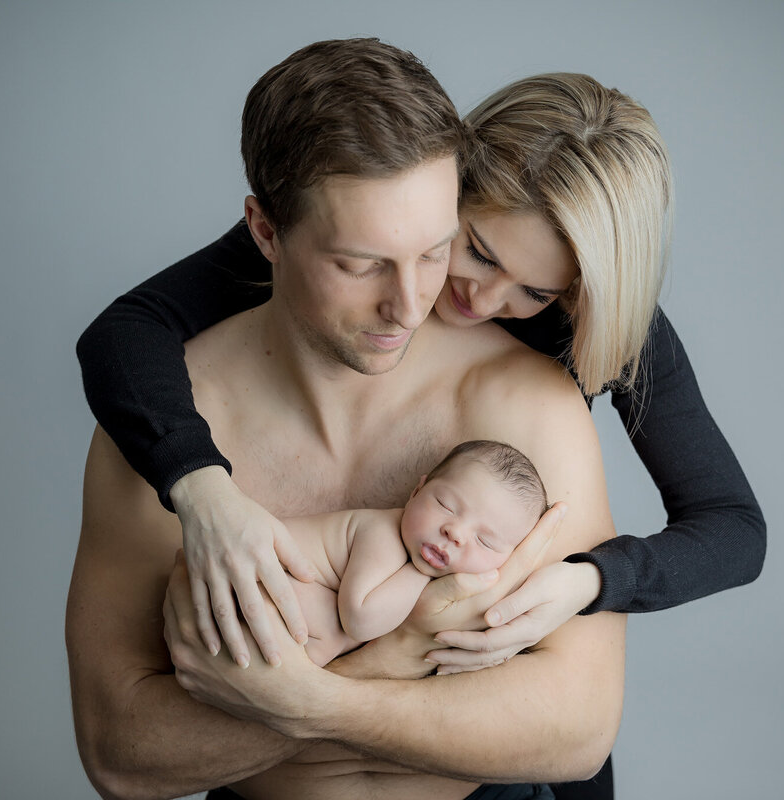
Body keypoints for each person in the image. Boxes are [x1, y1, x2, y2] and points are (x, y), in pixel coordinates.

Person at [67, 37, 623, 800]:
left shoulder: (524, 402)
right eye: (361, 264)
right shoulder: (167, 427)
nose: (409, 305)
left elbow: (581, 730)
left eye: (435, 253)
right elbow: (120, 753)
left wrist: (312, 700)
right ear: (265, 232)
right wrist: (396, 660)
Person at [280, 439, 549, 667]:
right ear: (416, 492)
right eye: (446, 505)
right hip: (263, 574)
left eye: (485, 541)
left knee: (327, 636)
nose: (455, 533)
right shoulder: (382, 534)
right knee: (333, 628)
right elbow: (360, 621)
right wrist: (419, 574)